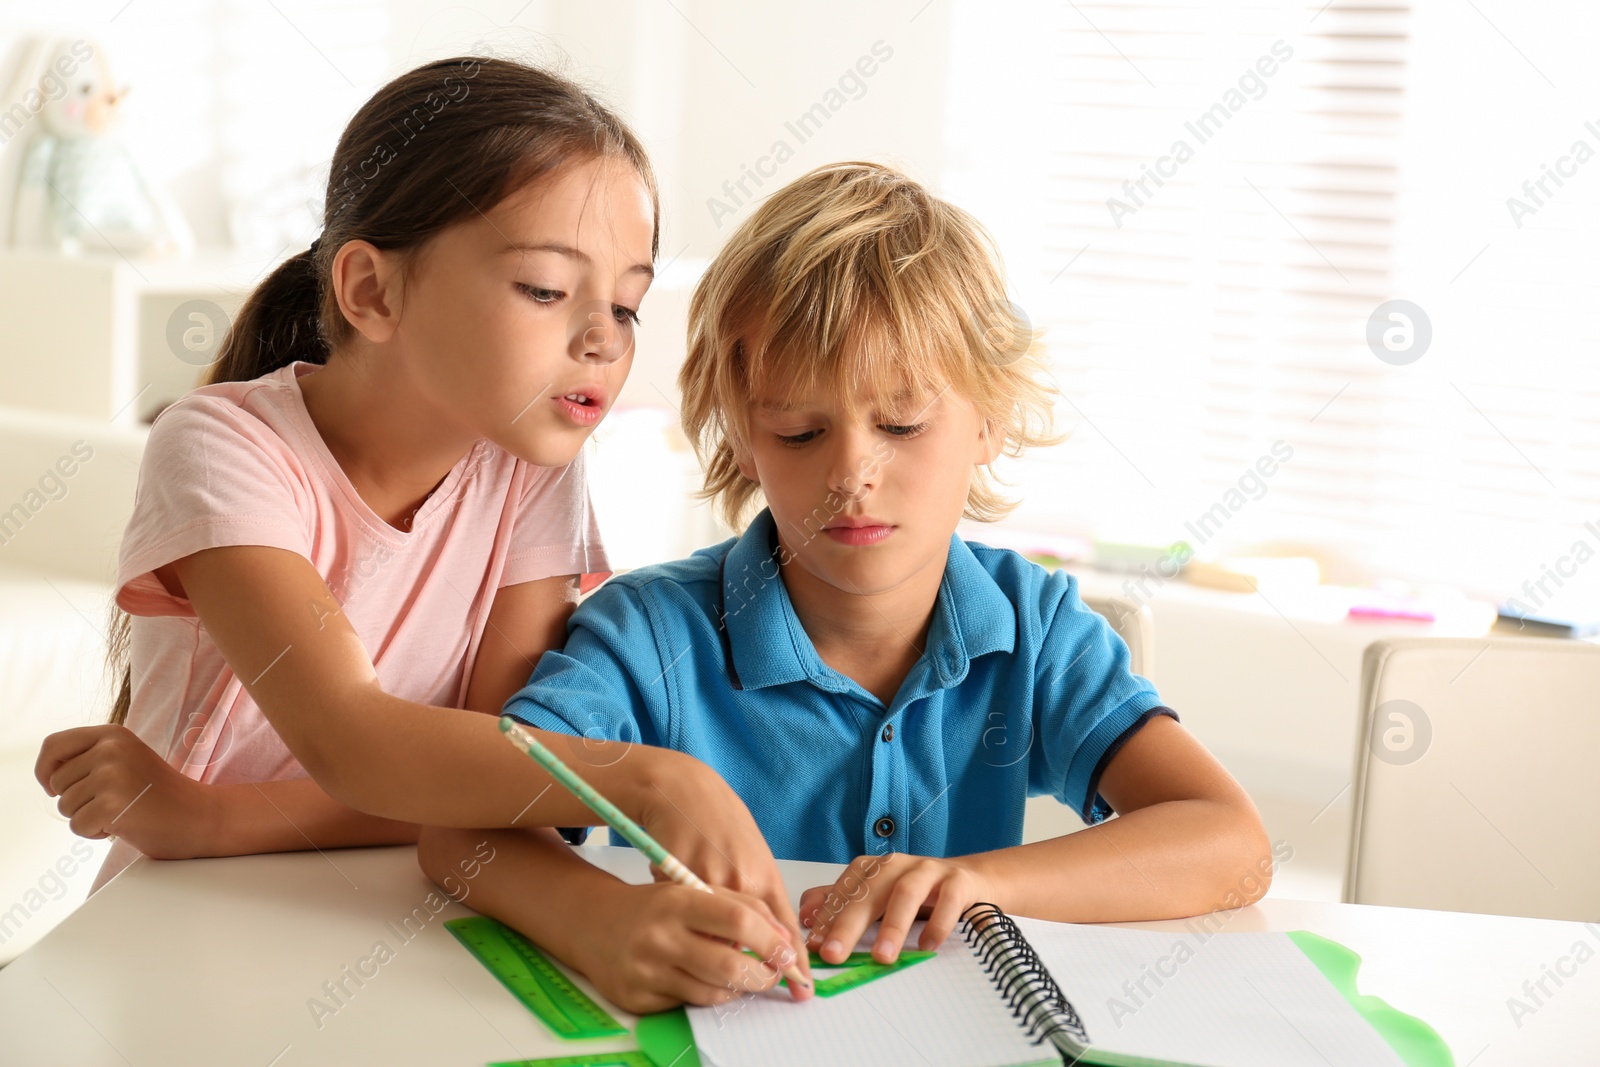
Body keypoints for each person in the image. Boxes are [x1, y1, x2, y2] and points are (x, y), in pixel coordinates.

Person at [418, 161, 1275, 1014]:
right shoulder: (649, 634)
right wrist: (600, 921)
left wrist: (973, 882)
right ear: (745, 440)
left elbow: (1230, 843)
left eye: (901, 422)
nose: (852, 473)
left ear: (990, 422)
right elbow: (463, 829)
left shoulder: (1034, 624)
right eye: (797, 431)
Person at [33, 58, 806, 985]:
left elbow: (491, 787)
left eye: (627, 302)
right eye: (547, 289)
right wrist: (650, 776)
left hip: (416, 922)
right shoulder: (224, 447)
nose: (604, 335)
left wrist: (210, 817)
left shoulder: (533, 474)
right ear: (372, 291)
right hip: (191, 930)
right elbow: (356, 739)